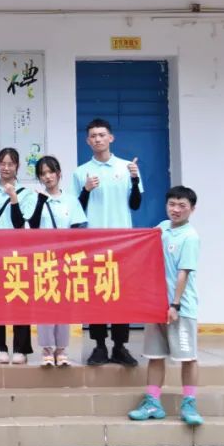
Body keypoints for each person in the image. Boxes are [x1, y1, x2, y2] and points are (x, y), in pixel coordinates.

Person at [128, 186, 203, 426]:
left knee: (188, 357)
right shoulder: (161, 228)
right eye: (172, 204)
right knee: (155, 356)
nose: (176, 209)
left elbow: (183, 273)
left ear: (192, 209)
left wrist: (175, 305)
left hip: (180, 308)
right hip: (156, 306)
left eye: (182, 205)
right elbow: (140, 247)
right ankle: (152, 402)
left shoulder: (190, 237)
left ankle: (189, 404)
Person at [72, 118, 143, 367]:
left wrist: (134, 179)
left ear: (111, 138)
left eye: (102, 135)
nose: (98, 139)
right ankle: (99, 346)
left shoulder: (127, 167)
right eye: (93, 136)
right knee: (97, 295)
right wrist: (86, 190)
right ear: (87, 140)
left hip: (123, 243)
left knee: (122, 295)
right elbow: (76, 211)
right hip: (94, 242)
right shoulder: (81, 172)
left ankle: (120, 346)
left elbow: (135, 204)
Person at [27, 155, 87, 367]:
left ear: (59, 174)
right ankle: (46, 350)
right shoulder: (35, 199)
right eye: (43, 173)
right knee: (45, 303)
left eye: (51, 172)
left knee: (63, 305)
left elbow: (78, 228)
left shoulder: (71, 200)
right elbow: (33, 226)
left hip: (66, 259)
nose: (48, 176)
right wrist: (40, 201)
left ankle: (61, 350)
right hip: (43, 259)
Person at [0, 147, 37, 365]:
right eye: (2, 163)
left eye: (10, 164)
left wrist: (13, 197)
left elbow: (20, 223)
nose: (6, 168)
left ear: (17, 166)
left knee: (19, 298)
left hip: (18, 253)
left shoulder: (27, 193)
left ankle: (21, 348)